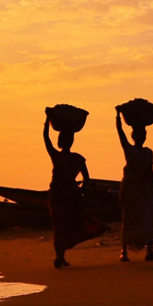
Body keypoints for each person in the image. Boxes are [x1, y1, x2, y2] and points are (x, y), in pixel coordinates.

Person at [44, 115, 107, 268]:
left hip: (64, 195)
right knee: (62, 225)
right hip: (62, 195)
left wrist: (47, 119)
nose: (68, 142)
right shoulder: (67, 157)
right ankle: (60, 256)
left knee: (63, 226)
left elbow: (86, 178)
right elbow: (87, 179)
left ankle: (60, 256)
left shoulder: (67, 157)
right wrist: (80, 191)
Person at [116, 108, 153, 262]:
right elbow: (121, 135)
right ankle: (124, 251)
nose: (141, 138)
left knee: (148, 218)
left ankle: (149, 251)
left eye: (143, 135)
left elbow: (149, 171)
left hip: (145, 189)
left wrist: (151, 186)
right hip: (131, 190)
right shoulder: (129, 150)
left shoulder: (148, 152)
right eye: (139, 135)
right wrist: (117, 117)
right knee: (130, 219)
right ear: (134, 137)